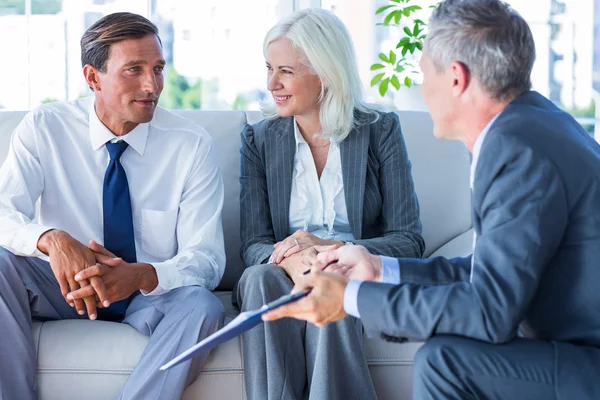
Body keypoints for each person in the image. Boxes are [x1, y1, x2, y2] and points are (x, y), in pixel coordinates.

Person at [262, 1, 600, 399]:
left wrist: (351, 297)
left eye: (425, 74)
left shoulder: (515, 150)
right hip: (578, 348)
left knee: (446, 363)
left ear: (455, 78)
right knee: (447, 357)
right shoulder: (536, 124)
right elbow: (487, 274)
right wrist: (379, 268)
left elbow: (490, 311)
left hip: (587, 360)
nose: (422, 90)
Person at [0, 12, 226, 399]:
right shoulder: (45, 127)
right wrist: (51, 239)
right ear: (93, 78)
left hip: (147, 296)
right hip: (64, 286)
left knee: (202, 306)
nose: (151, 85)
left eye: (157, 69)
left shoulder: (191, 145)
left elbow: (206, 259)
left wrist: (141, 276)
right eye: (134, 70)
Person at [234, 8, 425, 400]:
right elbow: (252, 243)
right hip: (280, 271)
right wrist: (287, 259)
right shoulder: (259, 140)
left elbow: (409, 240)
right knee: (258, 277)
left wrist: (330, 250)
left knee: (333, 276)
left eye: (285, 71)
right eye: (269, 68)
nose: (272, 83)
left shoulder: (379, 130)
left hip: (351, 265)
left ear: (324, 72)